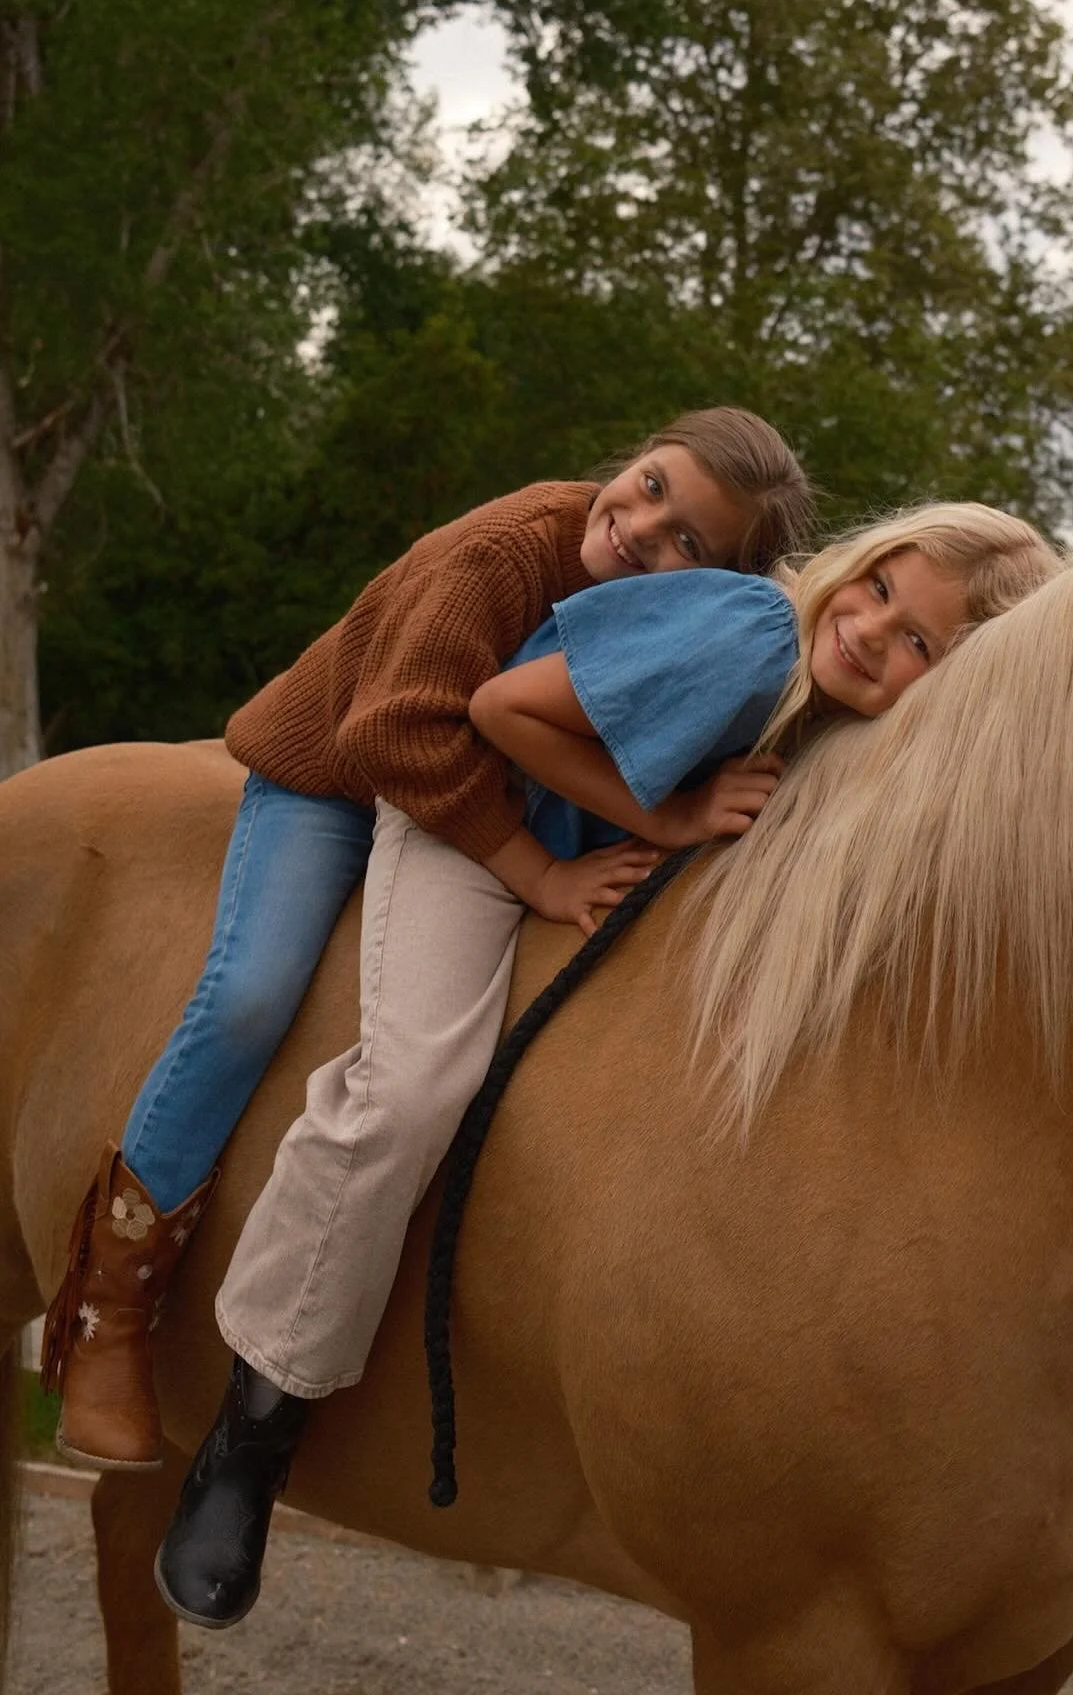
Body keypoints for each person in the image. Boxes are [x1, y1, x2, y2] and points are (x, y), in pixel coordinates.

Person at [152, 500, 1065, 1629]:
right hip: (482, 824)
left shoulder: (838, 720)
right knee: (406, 1092)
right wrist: (672, 815)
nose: (875, 632)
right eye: (880, 588)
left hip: (601, 857)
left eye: (920, 641)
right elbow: (500, 710)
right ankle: (251, 1432)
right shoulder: (750, 631)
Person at [41, 406, 815, 1480]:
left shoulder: (668, 623)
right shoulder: (510, 551)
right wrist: (537, 872)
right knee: (253, 995)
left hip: (465, 795)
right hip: (339, 778)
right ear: (630, 461)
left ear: (715, 581)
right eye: (648, 485)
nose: (642, 529)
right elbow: (394, 734)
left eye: (688, 540)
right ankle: (106, 1318)